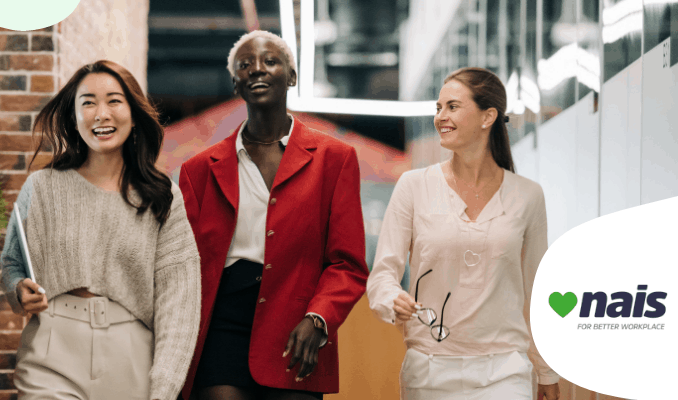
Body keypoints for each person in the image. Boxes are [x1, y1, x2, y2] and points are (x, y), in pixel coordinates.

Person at [177, 30, 369, 400]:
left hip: (299, 325)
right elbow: (184, 263)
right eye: (245, 65)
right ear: (236, 83)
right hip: (221, 324)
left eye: (270, 61)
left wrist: (320, 319)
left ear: (291, 77)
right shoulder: (198, 169)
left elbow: (348, 263)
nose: (256, 70)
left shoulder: (334, 159)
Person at [0, 60, 201, 400]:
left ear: (133, 113)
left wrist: (164, 386)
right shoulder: (42, 187)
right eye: (88, 102)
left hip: (132, 359)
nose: (100, 113)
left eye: (114, 101)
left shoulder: (162, 197)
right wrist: (19, 290)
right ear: (74, 117)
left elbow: (179, 303)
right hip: (52, 349)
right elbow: (12, 264)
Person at [366, 67, 560, 400]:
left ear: (488, 116)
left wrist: (545, 370)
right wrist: (390, 299)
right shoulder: (413, 186)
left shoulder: (528, 195)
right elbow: (382, 275)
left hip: (504, 371)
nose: (441, 116)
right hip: (428, 370)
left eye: (452, 107)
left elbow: (536, 291)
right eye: (438, 108)